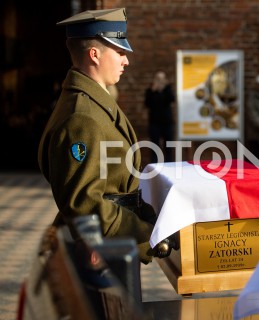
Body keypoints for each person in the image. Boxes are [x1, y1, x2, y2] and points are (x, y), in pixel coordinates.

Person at [38, 8, 164, 264]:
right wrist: (147, 232)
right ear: (94, 54)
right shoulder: (82, 117)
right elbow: (85, 203)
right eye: (119, 52)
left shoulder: (94, 101)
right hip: (99, 252)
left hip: (110, 245)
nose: (126, 60)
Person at [144, 71, 175, 162]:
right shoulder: (150, 90)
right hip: (155, 123)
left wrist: (166, 87)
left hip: (167, 123)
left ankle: (169, 166)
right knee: (155, 148)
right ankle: (154, 167)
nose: (160, 81)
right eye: (158, 78)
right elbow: (147, 103)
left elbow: (171, 99)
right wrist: (153, 91)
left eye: (162, 78)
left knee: (168, 148)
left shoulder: (168, 89)